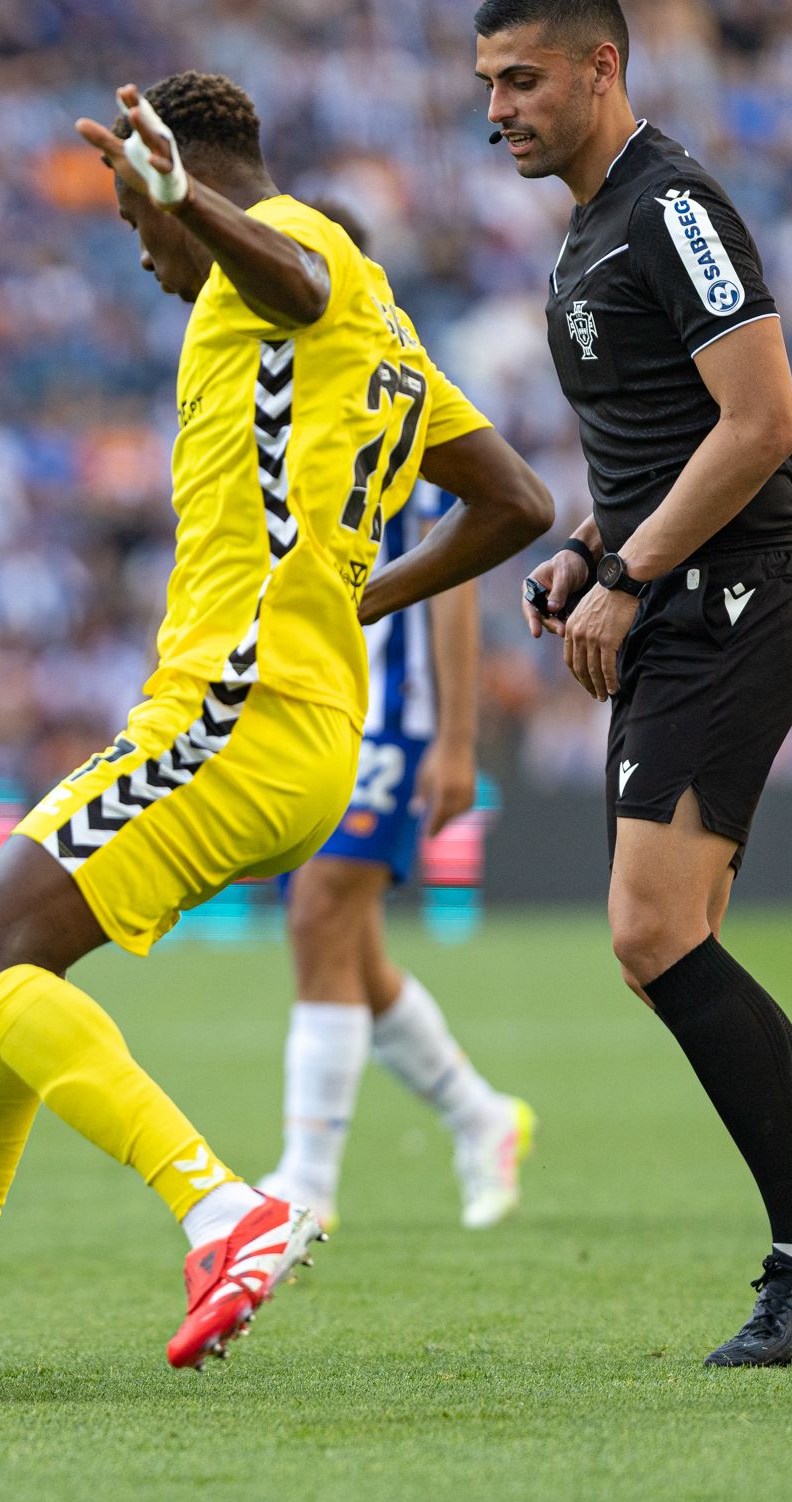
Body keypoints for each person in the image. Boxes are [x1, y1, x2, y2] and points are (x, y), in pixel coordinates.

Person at [0, 74, 554, 1375]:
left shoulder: (306, 258)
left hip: (237, 710)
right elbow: (515, 501)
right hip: (292, 724)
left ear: (194, 183)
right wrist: (354, 593)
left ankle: (224, 1209)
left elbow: (296, 278)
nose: (145, 247)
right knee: (11, 961)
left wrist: (197, 210)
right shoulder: (387, 341)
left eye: (137, 218)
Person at [470, 0, 792, 1366]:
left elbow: (764, 421)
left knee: (650, 934)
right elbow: (661, 446)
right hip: (682, 600)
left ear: (602, 66)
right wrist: (588, 551)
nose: (499, 105)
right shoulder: (590, 225)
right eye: (487, 81)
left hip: (731, 606)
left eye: (524, 77)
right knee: (673, 943)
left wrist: (632, 571)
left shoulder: (672, 208)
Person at [261, 479, 535, 1232]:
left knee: (321, 915)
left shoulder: (394, 413)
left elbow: (453, 579)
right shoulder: (274, 411)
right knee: (351, 950)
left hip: (387, 711)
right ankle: (481, 1117)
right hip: (303, 709)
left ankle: (307, 1182)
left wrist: (455, 738)